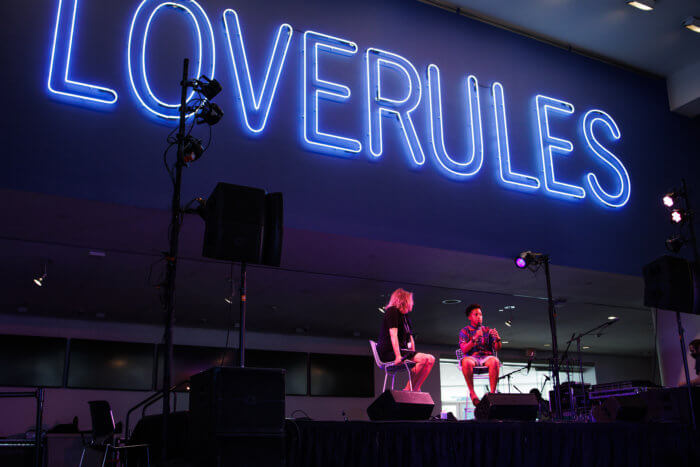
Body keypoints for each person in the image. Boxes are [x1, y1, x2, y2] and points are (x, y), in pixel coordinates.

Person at [376, 288, 435, 391]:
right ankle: (409, 390)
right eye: (411, 301)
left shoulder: (405, 316)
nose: (412, 303)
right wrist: (398, 356)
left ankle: (413, 389)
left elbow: (410, 336)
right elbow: (393, 334)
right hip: (389, 352)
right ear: (404, 300)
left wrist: (413, 352)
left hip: (403, 351)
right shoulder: (392, 311)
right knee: (425, 359)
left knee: (430, 359)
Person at [458, 304, 502, 406]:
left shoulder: (487, 330)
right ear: (470, 317)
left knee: (495, 361)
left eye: (481, 314)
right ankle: (472, 393)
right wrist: (474, 338)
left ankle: (492, 393)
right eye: (476, 314)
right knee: (466, 361)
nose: (479, 317)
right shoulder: (465, 331)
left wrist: (498, 339)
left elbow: (497, 348)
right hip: (472, 357)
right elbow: (464, 349)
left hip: (486, 357)